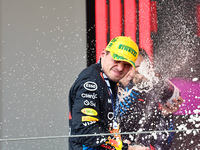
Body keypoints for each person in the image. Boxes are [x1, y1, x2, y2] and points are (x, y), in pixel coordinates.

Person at [69, 36, 150, 150]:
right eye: (116, 60)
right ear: (103, 54)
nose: (121, 67)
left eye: (126, 64)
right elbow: (86, 131)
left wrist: (120, 143)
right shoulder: (91, 81)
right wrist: (125, 148)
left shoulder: (108, 79)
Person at [118, 49, 184, 149]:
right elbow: (117, 115)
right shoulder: (110, 88)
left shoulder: (152, 93)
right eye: (129, 66)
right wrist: (134, 88)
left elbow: (164, 144)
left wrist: (166, 116)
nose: (133, 73)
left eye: (138, 68)